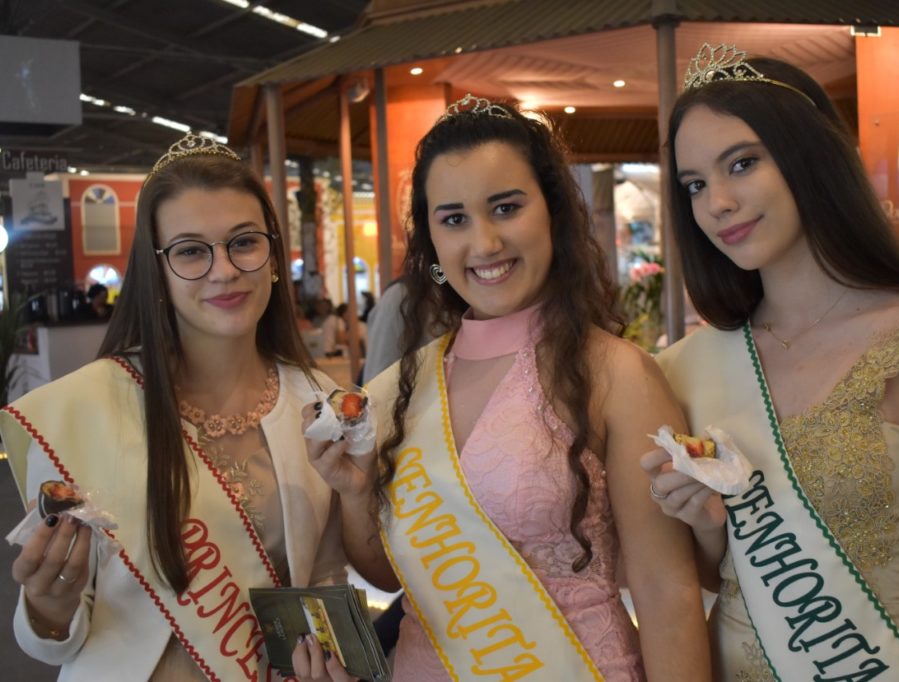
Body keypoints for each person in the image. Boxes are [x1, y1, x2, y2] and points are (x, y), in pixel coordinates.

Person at [294, 94, 711, 682]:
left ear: (553, 213)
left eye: (506, 208)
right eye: (454, 219)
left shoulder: (618, 375)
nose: (485, 243)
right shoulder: (399, 388)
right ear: (432, 241)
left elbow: (668, 593)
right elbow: (390, 576)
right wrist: (356, 493)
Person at [644, 43, 899, 680]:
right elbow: (711, 577)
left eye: (742, 163)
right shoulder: (684, 368)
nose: (717, 202)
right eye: (695, 185)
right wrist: (705, 523)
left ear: (809, 155)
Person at [0, 132, 352, 681]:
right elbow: (50, 641)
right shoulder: (83, 410)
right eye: (190, 250)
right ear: (157, 271)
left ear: (273, 256)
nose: (224, 270)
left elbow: (324, 576)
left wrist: (334, 660)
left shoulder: (319, 403)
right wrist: (47, 608)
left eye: (244, 242)